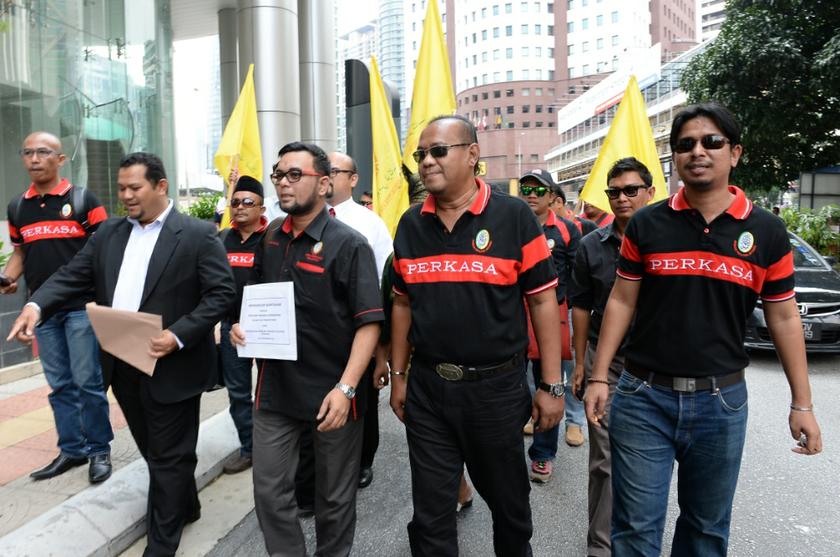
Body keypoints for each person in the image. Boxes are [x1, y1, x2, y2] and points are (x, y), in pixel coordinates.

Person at [585, 103, 823, 556]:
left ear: (735, 152)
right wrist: (598, 376)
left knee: (706, 530)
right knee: (634, 529)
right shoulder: (648, 223)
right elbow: (621, 298)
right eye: (685, 144)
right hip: (642, 398)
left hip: (722, 403)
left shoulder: (767, 231)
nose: (698, 151)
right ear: (674, 157)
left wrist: (803, 404)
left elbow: (784, 316)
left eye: (711, 142)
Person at [7, 152, 236, 556]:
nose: (126, 196)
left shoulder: (198, 234)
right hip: (124, 365)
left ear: (161, 186)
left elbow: (221, 294)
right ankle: (187, 504)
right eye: (122, 188)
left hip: (174, 364)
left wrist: (178, 335)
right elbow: (71, 275)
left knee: (169, 457)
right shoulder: (109, 234)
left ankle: (160, 547)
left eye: (135, 188)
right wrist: (35, 306)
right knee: (153, 450)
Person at [389, 115, 565, 556]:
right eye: (421, 154)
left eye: (438, 151)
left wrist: (550, 384)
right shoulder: (411, 225)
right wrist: (398, 374)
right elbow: (403, 304)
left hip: (496, 392)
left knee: (509, 508)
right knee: (430, 515)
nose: (427, 162)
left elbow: (543, 302)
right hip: (429, 390)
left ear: (472, 155)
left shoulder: (514, 217)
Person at [230, 142, 383, 557]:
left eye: (295, 174)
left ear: (324, 183)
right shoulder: (270, 239)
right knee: (270, 492)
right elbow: (257, 299)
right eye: (279, 175)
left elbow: (369, 323)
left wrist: (347, 388)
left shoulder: (349, 244)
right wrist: (241, 327)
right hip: (276, 392)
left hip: (332, 395)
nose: (283, 183)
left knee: (333, 499)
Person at [1, 131, 113, 483]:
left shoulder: (83, 200)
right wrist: (8, 278)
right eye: (28, 152)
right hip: (43, 312)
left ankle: (98, 450)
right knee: (60, 384)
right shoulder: (18, 207)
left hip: (81, 307)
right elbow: (20, 253)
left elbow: (106, 250)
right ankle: (72, 450)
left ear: (61, 159)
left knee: (87, 382)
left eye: (43, 152)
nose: (34, 159)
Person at [569, 157, 655, 557]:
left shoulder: (668, 240)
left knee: (648, 467)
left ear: (650, 193)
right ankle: (601, 548)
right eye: (614, 192)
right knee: (604, 460)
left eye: (630, 190)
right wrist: (582, 366)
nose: (622, 199)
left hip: (660, 368)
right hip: (610, 367)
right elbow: (581, 308)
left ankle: (639, 539)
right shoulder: (591, 246)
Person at [518, 169, 584, 484]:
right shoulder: (510, 227)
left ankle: (543, 455)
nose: (531, 194)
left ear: (552, 197)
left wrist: (565, 309)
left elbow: (576, 273)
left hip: (552, 318)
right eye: (526, 188)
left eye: (538, 190)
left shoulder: (568, 230)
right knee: (515, 385)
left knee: (551, 383)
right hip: (514, 319)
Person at [218, 175, 268, 474]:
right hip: (230, 328)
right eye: (235, 202)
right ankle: (249, 449)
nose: (239, 207)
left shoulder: (272, 239)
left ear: (261, 208)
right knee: (238, 393)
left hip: (264, 327)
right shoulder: (222, 239)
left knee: (269, 390)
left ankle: (273, 444)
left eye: (247, 202)